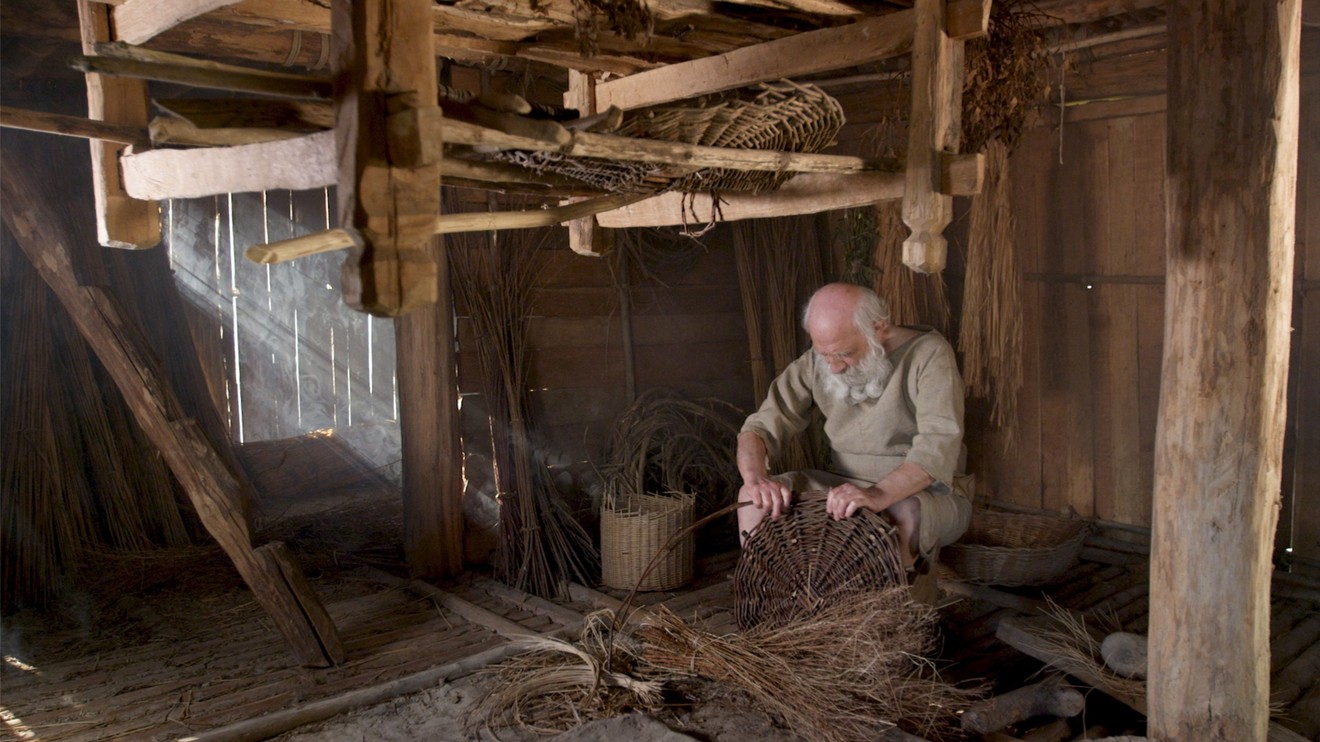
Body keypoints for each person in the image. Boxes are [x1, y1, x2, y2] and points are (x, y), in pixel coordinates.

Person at [735, 282, 971, 568]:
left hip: (922, 493)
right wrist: (756, 478)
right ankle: (769, 592)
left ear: (878, 328)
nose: (833, 367)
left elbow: (937, 448)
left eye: (844, 354)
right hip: (841, 485)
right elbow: (758, 428)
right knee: (752, 498)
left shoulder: (930, 355)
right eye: (824, 355)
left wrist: (877, 494)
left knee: (901, 514)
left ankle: (882, 609)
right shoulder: (818, 361)